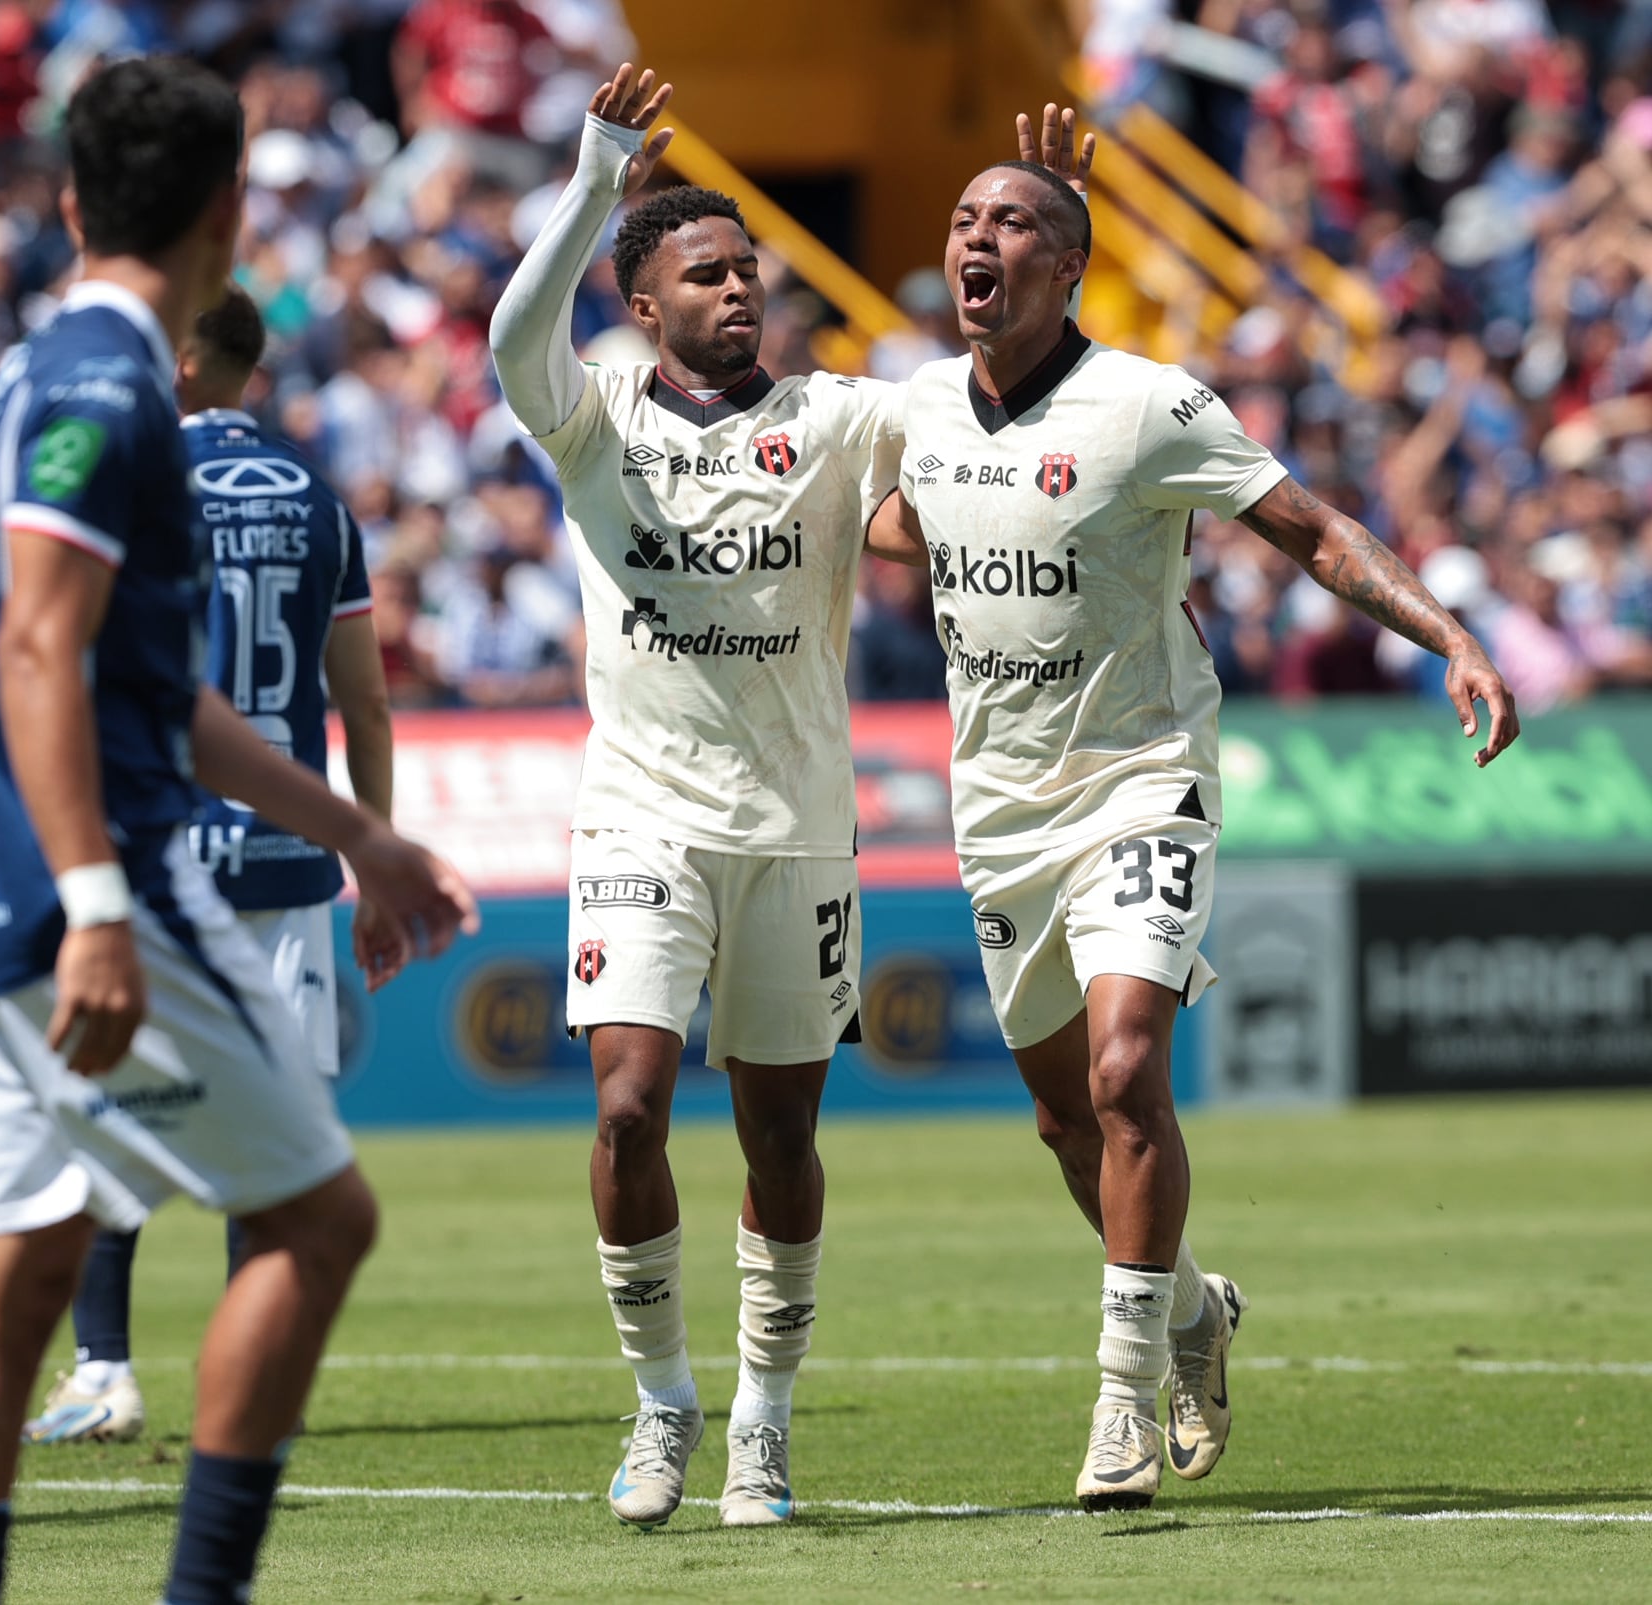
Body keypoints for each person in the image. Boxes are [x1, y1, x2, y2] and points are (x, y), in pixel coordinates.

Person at [867, 108, 1521, 1511]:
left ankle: (1118, 1399)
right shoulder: (914, 408)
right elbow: (890, 528)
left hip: (1142, 778)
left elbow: (1312, 531)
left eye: (1013, 223)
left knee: (1123, 1077)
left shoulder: (1148, 406)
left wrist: (1451, 637)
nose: (978, 239)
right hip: (998, 807)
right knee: (1065, 1123)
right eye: (967, 220)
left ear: (1068, 269)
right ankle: (1189, 1312)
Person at [0, 59, 475, 1605]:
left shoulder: (29, 375)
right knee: (320, 1217)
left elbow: (151, 691)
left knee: (13, 1276)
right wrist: (97, 897)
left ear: (71, 203)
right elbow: (41, 646)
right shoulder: (112, 389)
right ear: (233, 212)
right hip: (95, 886)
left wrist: (359, 836)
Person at [486, 63, 904, 1530]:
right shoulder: (595, 413)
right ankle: (663, 1401)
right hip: (639, 815)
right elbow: (510, 337)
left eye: (747, 271)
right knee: (625, 1110)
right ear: (643, 304)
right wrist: (596, 177)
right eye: (706, 274)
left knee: (780, 1138)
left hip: (798, 828)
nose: (738, 290)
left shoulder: (838, 419)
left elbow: (967, 461)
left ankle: (763, 1425)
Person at [23, 285, 395, 1448]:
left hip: (159, 849)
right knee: (273, 1138)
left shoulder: (130, 482)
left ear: (181, 363)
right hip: (289, 857)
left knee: (104, 1113)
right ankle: (253, 1387)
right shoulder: (319, 497)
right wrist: (375, 857)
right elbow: (364, 706)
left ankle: (103, 1373)